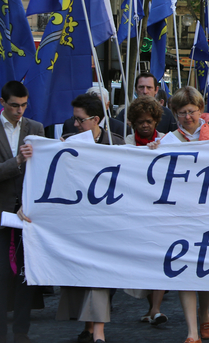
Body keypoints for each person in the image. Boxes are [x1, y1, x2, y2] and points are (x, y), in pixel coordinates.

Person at [150, 86, 209, 343]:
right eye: (181, 113)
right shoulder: (167, 141)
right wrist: (150, 153)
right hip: (179, 214)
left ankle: (204, 312)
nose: (187, 117)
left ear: (201, 110)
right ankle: (192, 332)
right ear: (174, 113)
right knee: (184, 269)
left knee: (204, 270)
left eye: (191, 111)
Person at [55, 93, 126, 343]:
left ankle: (98, 331)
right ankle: (89, 327)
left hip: (108, 222)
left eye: (80, 120)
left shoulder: (116, 143)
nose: (75, 125)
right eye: (74, 119)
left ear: (96, 119)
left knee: (101, 276)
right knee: (82, 275)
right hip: (79, 221)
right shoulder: (68, 143)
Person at [0, 82, 43, 343]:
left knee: (27, 275)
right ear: (3, 102)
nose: (20, 110)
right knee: (3, 275)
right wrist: (15, 162)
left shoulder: (35, 128)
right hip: (2, 213)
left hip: (28, 214)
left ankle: (21, 332)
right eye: (15, 105)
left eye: (24, 105)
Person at [122, 96, 168, 326]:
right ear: (133, 122)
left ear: (156, 120)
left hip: (161, 210)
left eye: (149, 121)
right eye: (140, 121)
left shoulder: (166, 142)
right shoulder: (126, 145)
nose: (145, 125)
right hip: (137, 210)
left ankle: (157, 309)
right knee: (145, 261)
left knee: (159, 258)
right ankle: (152, 308)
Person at [60, 86, 126, 139]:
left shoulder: (118, 133)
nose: (76, 124)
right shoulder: (68, 136)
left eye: (81, 120)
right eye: (75, 118)